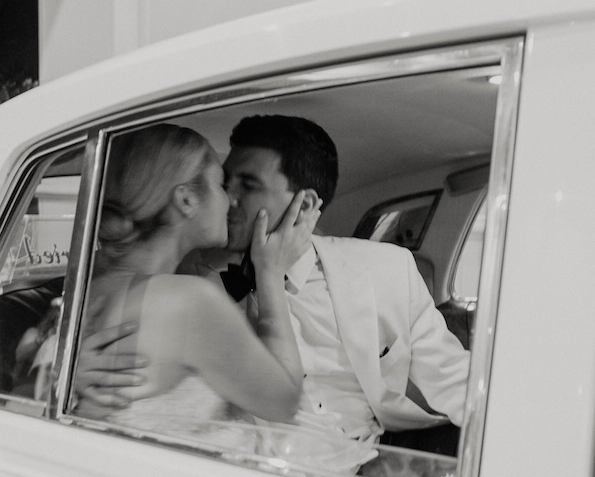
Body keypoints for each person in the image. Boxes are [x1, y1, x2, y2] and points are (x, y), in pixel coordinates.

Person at [79, 115, 470, 459]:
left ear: (304, 205)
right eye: (223, 182)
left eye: (247, 184)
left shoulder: (385, 269)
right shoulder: (190, 273)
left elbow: (455, 381)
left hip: (359, 463)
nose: (229, 198)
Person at [76, 122, 317, 428]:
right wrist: (270, 273)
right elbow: (285, 403)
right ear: (186, 200)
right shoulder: (189, 299)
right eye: (220, 184)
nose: (230, 200)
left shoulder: (92, 286)